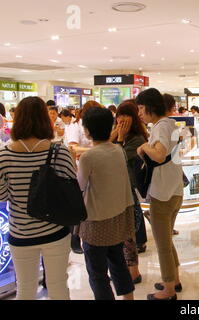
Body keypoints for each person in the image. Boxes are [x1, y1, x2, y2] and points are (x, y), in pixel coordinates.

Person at [0, 96, 76, 300]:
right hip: (55, 229)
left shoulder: (4, 155)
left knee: (25, 288)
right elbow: (72, 185)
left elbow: (2, 194)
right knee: (59, 285)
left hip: (21, 232)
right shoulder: (59, 152)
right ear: (45, 119)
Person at [77, 106, 135, 300]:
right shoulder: (118, 150)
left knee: (97, 273)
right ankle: (129, 297)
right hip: (117, 216)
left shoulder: (88, 157)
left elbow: (80, 186)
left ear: (87, 131)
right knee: (118, 262)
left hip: (96, 221)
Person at [136, 88, 183, 300]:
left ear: (150, 107)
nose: (139, 113)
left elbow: (159, 154)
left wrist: (145, 146)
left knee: (162, 243)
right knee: (166, 240)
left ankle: (168, 289)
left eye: (141, 108)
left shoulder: (161, 126)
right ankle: (174, 279)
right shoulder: (170, 124)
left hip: (162, 193)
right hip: (174, 189)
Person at [110, 100, 149, 283]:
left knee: (127, 234)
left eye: (126, 116)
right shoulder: (118, 134)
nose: (122, 120)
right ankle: (129, 269)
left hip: (127, 188)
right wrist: (116, 134)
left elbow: (119, 160)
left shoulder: (137, 139)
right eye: (119, 116)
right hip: (116, 189)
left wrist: (119, 138)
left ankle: (133, 272)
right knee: (124, 233)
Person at [66, 101, 101, 254]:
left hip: (94, 168)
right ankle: (74, 238)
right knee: (78, 203)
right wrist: (94, 149)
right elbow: (72, 148)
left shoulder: (93, 127)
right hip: (79, 168)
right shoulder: (76, 127)